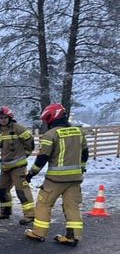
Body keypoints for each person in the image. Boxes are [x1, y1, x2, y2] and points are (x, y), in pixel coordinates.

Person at [25, 103, 89, 246]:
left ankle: (38, 233)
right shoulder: (79, 132)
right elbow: (85, 153)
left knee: (44, 204)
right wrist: (82, 169)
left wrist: (31, 174)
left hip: (55, 180)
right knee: (72, 207)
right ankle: (72, 236)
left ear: (53, 117)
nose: (47, 122)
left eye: (47, 119)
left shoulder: (50, 135)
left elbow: (42, 158)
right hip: (75, 179)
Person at [0, 106, 35, 224]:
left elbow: (30, 144)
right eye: (1, 118)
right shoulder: (0, 132)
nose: (3, 120)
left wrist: (24, 155)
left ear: (10, 117)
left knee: (21, 190)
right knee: (2, 190)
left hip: (18, 167)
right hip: (5, 167)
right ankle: (5, 212)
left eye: (5, 117)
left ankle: (30, 215)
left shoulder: (19, 129)